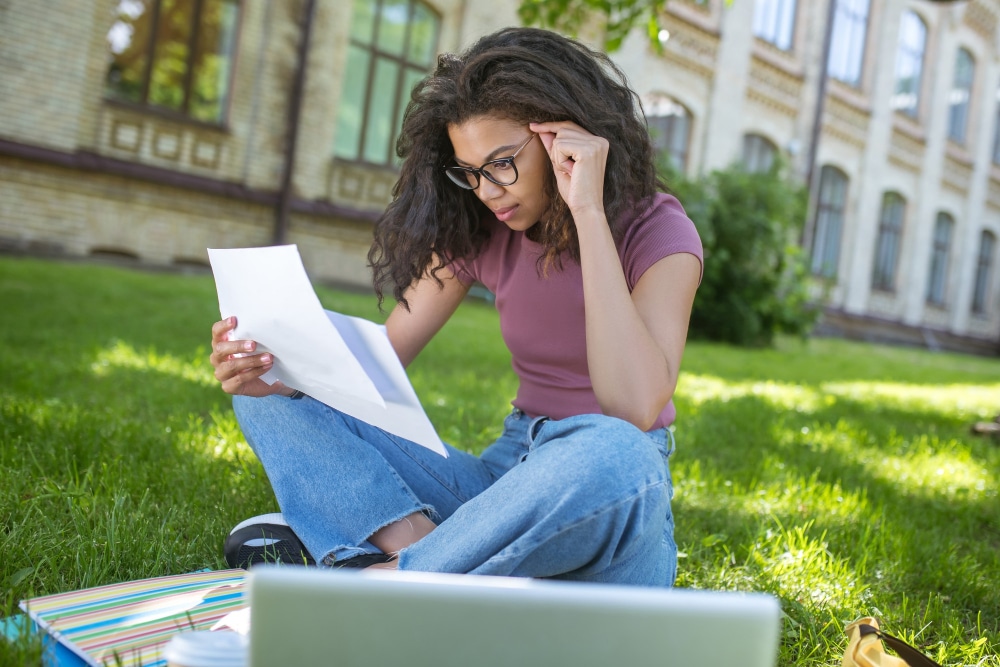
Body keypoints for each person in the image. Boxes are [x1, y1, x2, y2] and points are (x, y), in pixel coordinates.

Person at [210, 26, 702, 587]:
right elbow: (373, 371)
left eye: (501, 163)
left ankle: (375, 559)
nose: (488, 190)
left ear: (565, 137)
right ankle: (422, 561)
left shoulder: (659, 230)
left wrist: (586, 210)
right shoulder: (480, 228)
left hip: (599, 494)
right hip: (502, 481)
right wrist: (272, 373)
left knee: (619, 451)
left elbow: (634, 407)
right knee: (273, 382)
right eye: (470, 173)